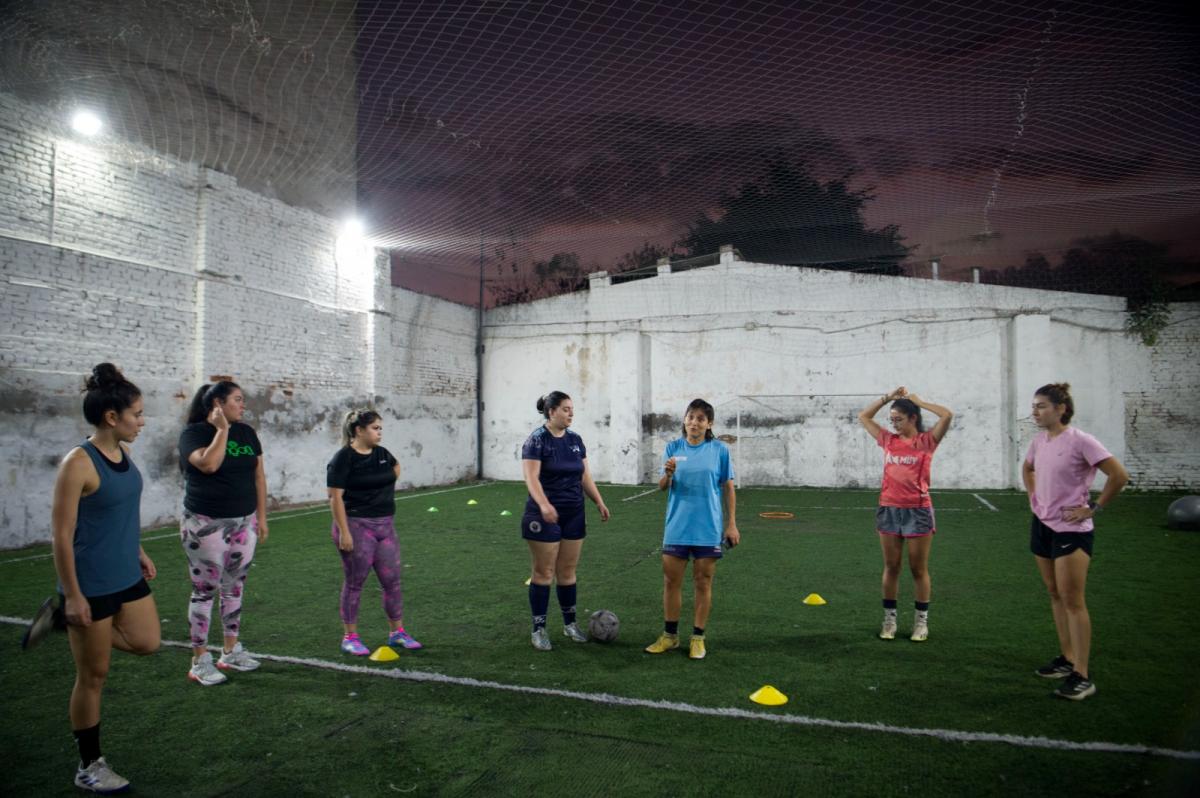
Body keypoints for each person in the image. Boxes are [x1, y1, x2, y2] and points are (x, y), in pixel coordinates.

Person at [50, 363, 161, 793]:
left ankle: (63, 622)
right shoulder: (77, 463)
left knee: (148, 641)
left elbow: (120, 510)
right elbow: (61, 535)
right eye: (136, 413)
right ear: (112, 417)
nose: (142, 420)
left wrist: (136, 550)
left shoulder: (124, 455)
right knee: (93, 676)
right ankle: (89, 765)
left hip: (124, 573)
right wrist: (74, 595)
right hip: (90, 584)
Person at [1024, 383, 1128, 700]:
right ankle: (1067, 659)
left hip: (1072, 530)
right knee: (1054, 593)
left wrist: (1093, 507)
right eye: (1034, 405)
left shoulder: (1081, 440)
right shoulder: (1039, 441)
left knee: (1073, 600)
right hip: (1042, 525)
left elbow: (1118, 475)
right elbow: (1028, 468)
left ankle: (1083, 675)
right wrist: (1033, 496)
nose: (1035, 411)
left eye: (1042, 405)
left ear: (1061, 409)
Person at [178, 380, 268, 685]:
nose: (244, 405)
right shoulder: (194, 434)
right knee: (205, 590)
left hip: (244, 522)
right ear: (217, 404)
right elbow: (208, 465)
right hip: (205, 524)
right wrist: (221, 430)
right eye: (238, 400)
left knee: (235, 587)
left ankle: (230, 652)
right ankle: (199, 660)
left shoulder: (247, 432)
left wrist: (261, 517)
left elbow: (258, 475)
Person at [645, 398, 740, 660]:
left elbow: (728, 488)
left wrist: (731, 523)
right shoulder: (673, 448)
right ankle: (669, 636)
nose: (694, 422)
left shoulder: (719, 450)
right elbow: (662, 486)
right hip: (677, 526)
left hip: (707, 527)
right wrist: (667, 473)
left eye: (700, 418)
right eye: (690, 417)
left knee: (703, 582)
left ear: (709, 424)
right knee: (671, 581)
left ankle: (698, 638)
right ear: (684, 420)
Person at [857, 387, 953, 642]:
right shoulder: (888, 440)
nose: (895, 424)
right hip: (889, 509)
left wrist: (920, 401)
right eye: (892, 419)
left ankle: (921, 623)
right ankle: (889, 620)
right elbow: (864, 417)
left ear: (913, 418)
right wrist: (887, 398)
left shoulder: (927, 441)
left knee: (918, 569)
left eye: (899, 419)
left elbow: (947, 415)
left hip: (918, 511)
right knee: (892, 566)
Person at [327, 409, 422, 655]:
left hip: (386, 526)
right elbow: (335, 498)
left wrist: (383, 484)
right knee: (355, 583)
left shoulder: (382, 454)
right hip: (357, 526)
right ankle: (350, 637)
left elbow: (396, 467)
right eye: (375, 428)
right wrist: (344, 532)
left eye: (380, 428)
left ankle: (397, 633)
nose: (379, 432)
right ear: (359, 430)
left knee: (392, 582)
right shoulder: (343, 458)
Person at [521, 391, 610, 650]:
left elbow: (585, 475)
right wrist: (544, 505)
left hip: (574, 513)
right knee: (544, 572)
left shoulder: (575, 440)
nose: (571, 413)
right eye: (566, 409)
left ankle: (570, 624)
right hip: (543, 515)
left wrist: (599, 501)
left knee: (568, 572)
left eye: (572, 409)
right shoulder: (536, 441)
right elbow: (531, 478)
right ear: (551, 412)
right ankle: (538, 629)